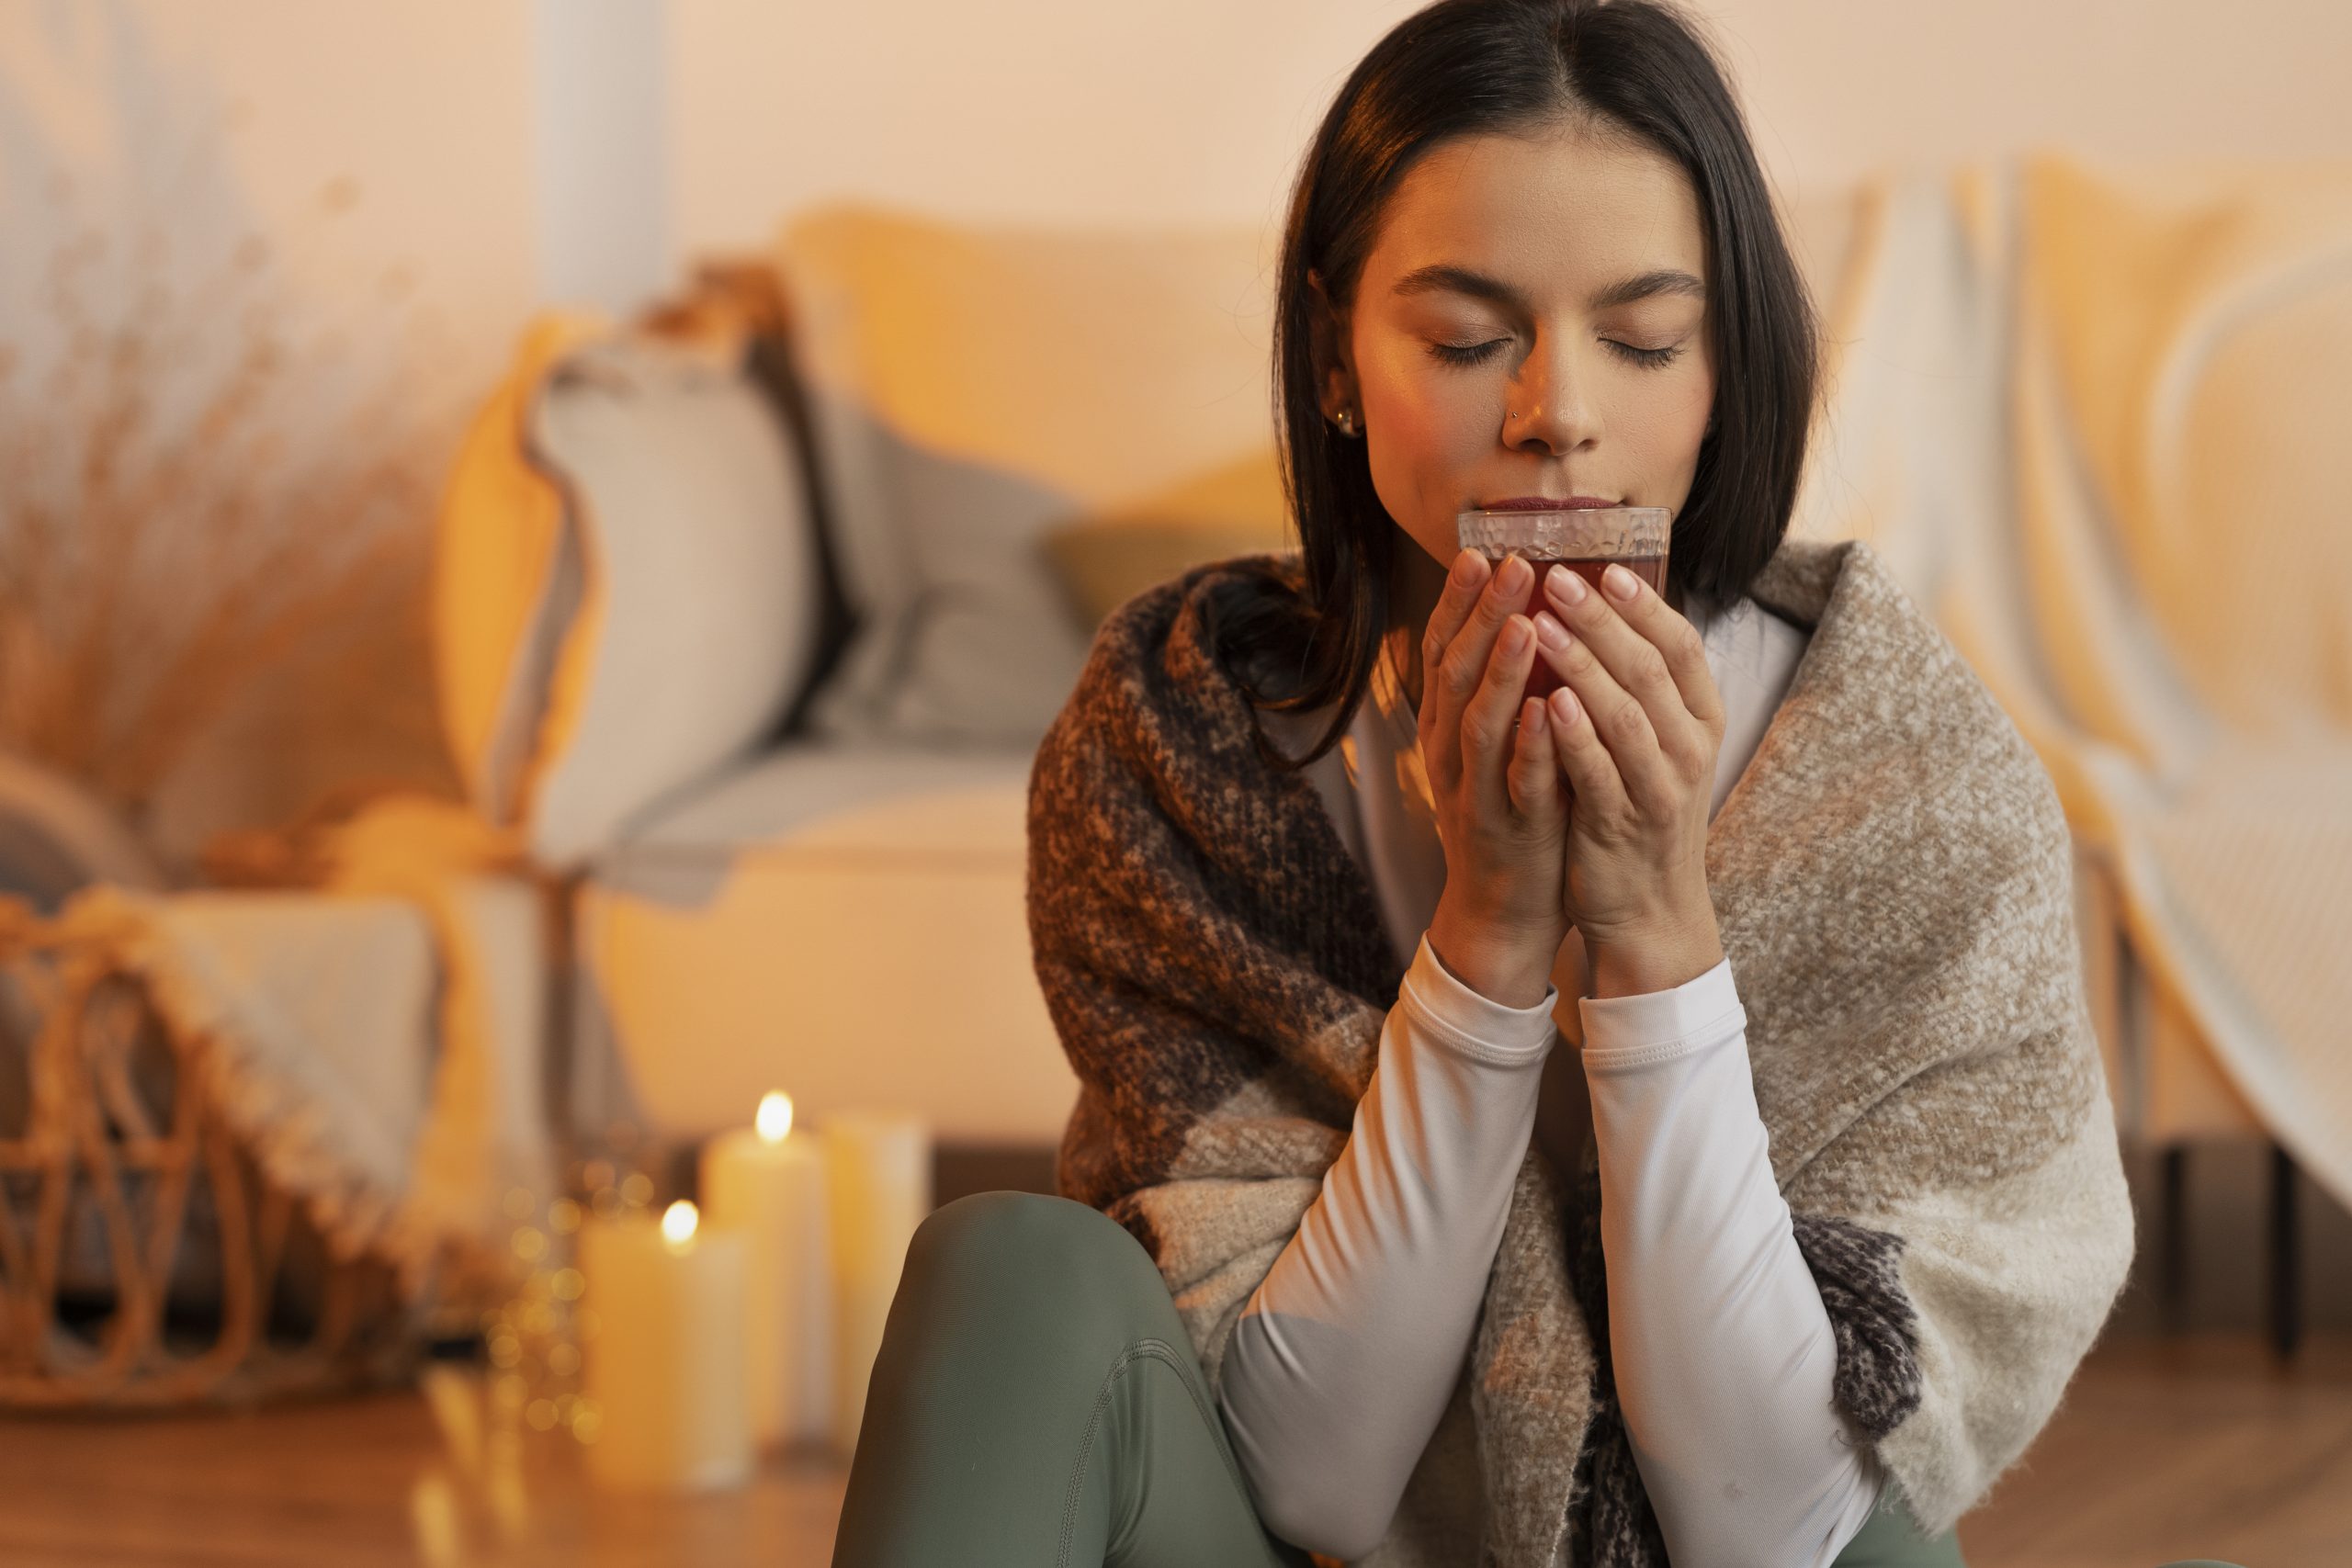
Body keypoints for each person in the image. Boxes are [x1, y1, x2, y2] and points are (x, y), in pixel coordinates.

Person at [830, 3, 2136, 1565]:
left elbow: (1778, 1527)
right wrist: (1490, 935)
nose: (1559, 415)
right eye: (1466, 341)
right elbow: (1309, 1486)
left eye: (1645, 341)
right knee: (1012, 1268)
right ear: (1335, 357)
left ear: (1726, 370)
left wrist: (1654, 927)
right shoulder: (1185, 747)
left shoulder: (1907, 779)